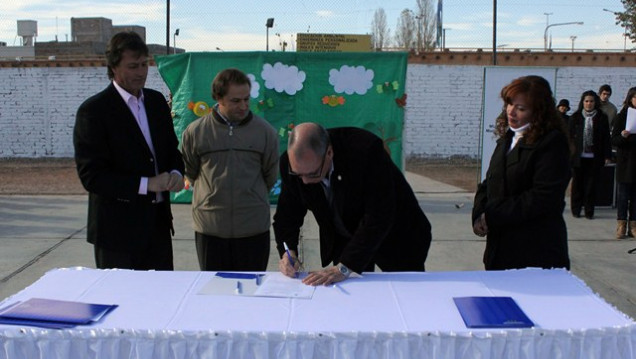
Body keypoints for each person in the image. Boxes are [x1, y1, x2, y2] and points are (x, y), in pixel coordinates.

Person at [74, 32, 185, 270]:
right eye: (133, 66)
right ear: (113, 67)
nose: (141, 72)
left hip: (158, 228)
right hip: (116, 235)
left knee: (160, 302)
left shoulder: (156, 103)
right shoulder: (94, 111)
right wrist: (147, 184)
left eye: (144, 64)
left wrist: (176, 172)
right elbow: (92, 176)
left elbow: (171, 150)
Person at [273, 123, 432, 285]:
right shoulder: (292, 164)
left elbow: (379, 215)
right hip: (346, 235)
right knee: (349, 293)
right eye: (299, 175)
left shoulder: (366, 151)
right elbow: (287, 215)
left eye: (313, 174)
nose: (305, 182)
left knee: (405, 291)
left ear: (329, 152)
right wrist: (288, 252)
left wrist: (345, 267)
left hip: (398, 234)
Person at [180, 68, 279, 271]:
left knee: (252, 295)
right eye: (235, 101)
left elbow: (270, 175)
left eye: (246, 99)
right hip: (210, 231)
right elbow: (191, 171)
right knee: (215, 297)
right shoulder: (196, 132)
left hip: (253, 231)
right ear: (218, 98)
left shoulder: (265, 132)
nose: (243, 106)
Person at [472, 75, 571, 270]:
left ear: (538, 112)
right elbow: (490, 182)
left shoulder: (552, 143)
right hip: (500, 248)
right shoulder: (508, 139)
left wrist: (492, 215)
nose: (511, 112)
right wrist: (479, 214)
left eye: (521, 108)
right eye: (509, 104)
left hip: (535, 252)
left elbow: (543, 197)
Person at [568, 90, 612, 219]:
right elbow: (569, 138)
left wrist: (607, 156)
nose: (589, 104)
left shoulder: (601, 117)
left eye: (591, 101)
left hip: (594, 157)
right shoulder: (575, 117)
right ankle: (576, 210)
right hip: (578, 157)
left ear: (595, 103)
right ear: (583, 102)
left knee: (591, 186)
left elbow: (606, 139)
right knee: (577, 185)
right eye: (586, 101)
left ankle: (589, 211)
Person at [611, 87, 636, 239]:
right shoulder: (622, 116)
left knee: (635, 196)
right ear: (630, 99)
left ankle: (633, 225)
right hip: (625, 162)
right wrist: (623, 136)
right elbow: (614, 140)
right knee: (622, 195)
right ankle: (621, 224)